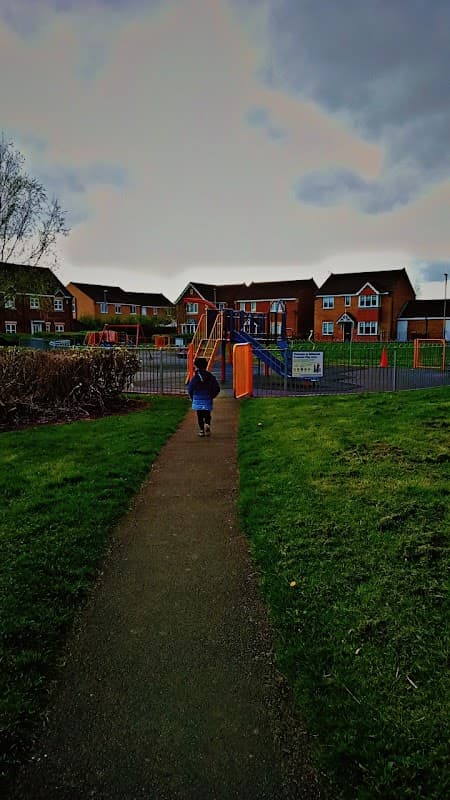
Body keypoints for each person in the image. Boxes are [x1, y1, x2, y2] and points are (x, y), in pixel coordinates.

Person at [187, 356, 220, 437]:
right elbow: (216, 387)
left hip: (197, 398)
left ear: (196, 366)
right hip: (207, 397)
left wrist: (192, 397)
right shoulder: (209, 376)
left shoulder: (195, 377)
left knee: (199, 415)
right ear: (206, 365)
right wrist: (212, 395)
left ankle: (201, 431)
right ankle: (207, 424)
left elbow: (190, 388)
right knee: (207, 414)